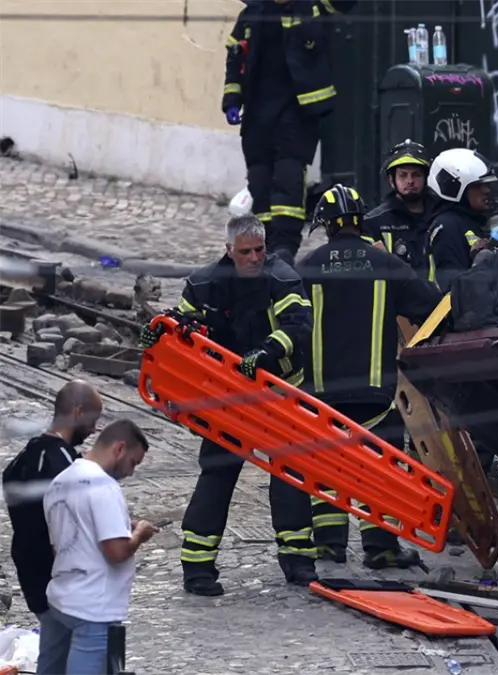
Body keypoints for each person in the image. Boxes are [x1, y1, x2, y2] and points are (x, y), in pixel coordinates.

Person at [145, 214, 318, 596]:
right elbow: (181, 329)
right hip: (225, 399)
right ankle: (197, 568)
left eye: (259, 250)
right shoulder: (204, 282)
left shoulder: (283, 277)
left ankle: (299, 561)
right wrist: (161, 332)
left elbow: (298, 325)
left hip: (280, 395)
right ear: (228, 251)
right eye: (245, 252)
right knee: (218, 474)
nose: (254, 258)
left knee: (290, 475)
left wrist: (267, 351)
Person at [296, 184, 443, 569]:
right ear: (362, 220)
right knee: (382, 468)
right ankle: (380, 547)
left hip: (321, 392)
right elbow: (428, 305)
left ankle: (329, 544)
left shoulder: (307, 267)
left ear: (325, 226)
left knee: (326, 465)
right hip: (376, 392)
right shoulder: (386, 264)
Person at [221, 0, 358, 266]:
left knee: (288, 179)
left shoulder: (312, 8)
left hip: (297, 113)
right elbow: (235, 60)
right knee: (260, 184)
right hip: (258, 115)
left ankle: (285, 247)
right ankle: (264, 247)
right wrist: (232, 101)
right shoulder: (252, 15)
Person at [36, 419, 155, 675]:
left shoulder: (60, 480)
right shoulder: (104, 487)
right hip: (94, 608)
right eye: (133, 462)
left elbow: (74, 531)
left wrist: (121, 523)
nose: (131, 472)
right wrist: (139, 534)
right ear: (119, 449)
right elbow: (117, 552)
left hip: (60, 598)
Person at [2, 382, 103, 621]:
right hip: (62, 579)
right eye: (92, 420)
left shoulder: (20, 461)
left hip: (30, 573)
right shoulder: (67, 465)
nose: (93, 429)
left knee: (52, 648)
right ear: (78, 412)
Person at [426, 148, 498, 290]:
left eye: (487, 184)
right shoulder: (447, 227)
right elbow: (454, 287)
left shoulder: (468, 221)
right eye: (478, 186)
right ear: (453, 187)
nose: (487, 191)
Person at [364, 140, 439, 278]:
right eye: (403, 175)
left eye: (416, 175)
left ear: (426, 178)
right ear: (391, 181)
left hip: (439, 298)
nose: (410, 181)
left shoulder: (441, 215)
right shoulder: (373, 223)